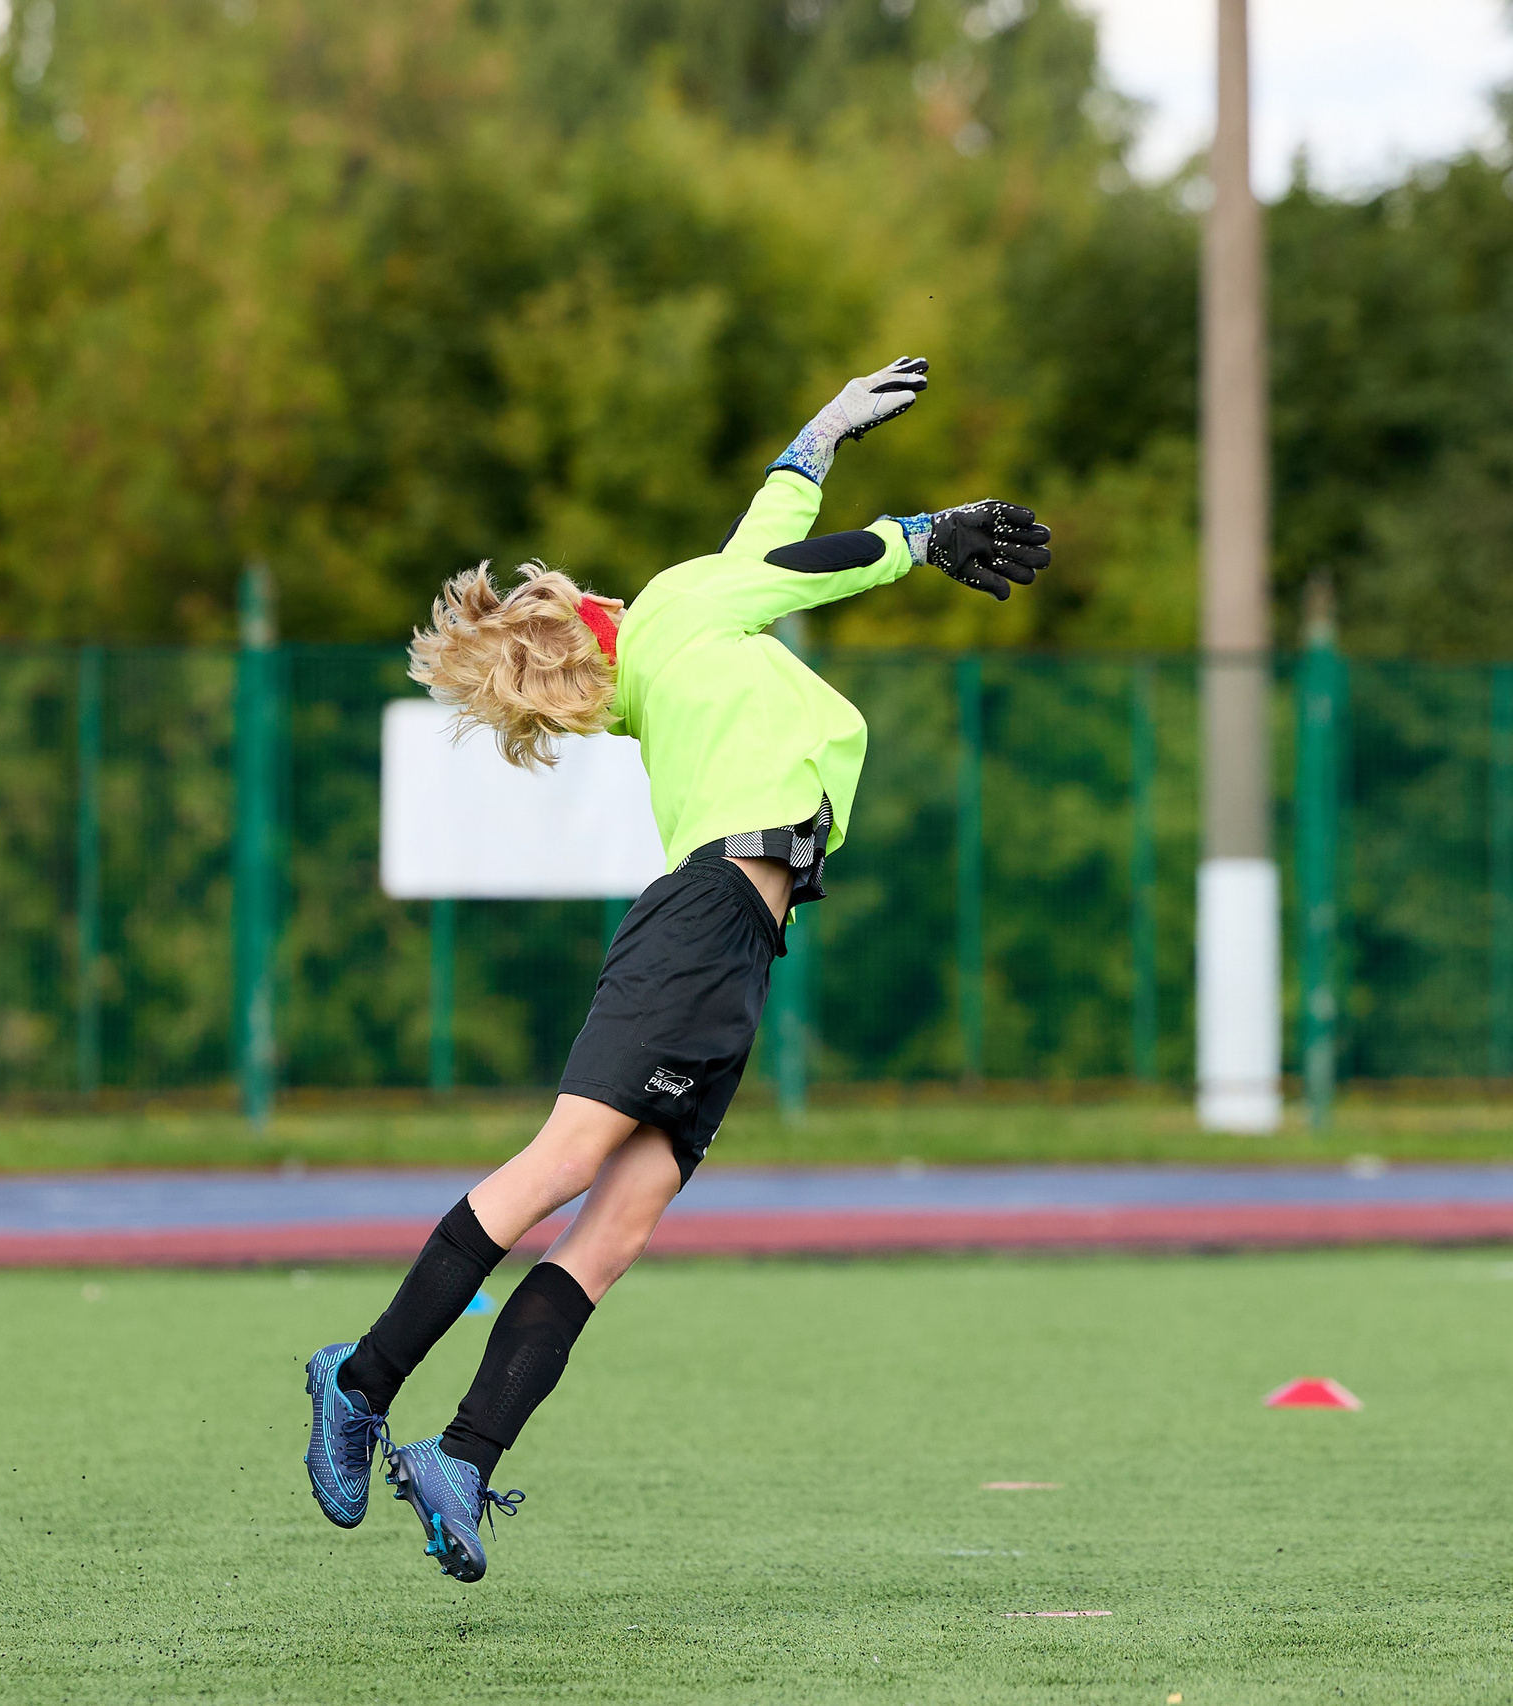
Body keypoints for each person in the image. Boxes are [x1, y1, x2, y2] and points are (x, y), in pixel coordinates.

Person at [301, 357, 1050, 1582]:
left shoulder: (677, 636)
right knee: (563, 1166)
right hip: (704, 920)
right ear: (591, 608)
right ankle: (361, 1374)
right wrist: (921, 533)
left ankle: (464, 1455)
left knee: (616, 1225)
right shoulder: (667, 615)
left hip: (737, 944)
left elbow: (764, 544)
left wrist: (817, 436)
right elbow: (793, 565)